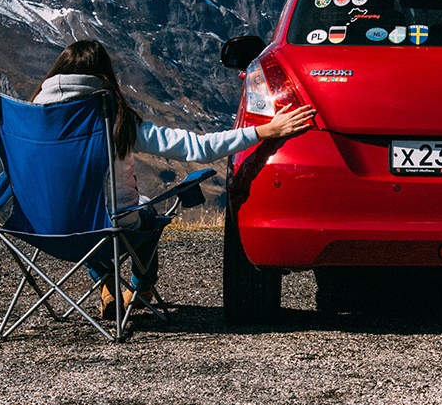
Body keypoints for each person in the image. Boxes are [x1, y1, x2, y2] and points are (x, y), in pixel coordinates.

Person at [31, 40, 314, 317]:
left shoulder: (29, 118)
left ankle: (106, 281)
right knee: (146, 214)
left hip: (43, 228)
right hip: (109, 229)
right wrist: (264, 131)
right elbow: (198, 148)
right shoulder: (116, 121)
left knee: (75, 213)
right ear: (104, 77)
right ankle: (141, 286)